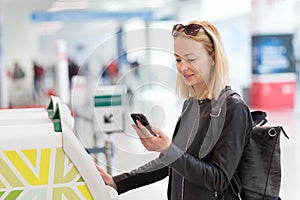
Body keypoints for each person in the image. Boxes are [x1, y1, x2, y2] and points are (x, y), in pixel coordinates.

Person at [96, 20, 253, 199]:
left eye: (191, 59)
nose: (182, 67)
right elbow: (170, 163)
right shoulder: (191, 105)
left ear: (213, 58)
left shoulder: (233, 108)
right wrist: (118, 182)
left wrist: (169, 149)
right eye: (178, 59)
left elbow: (219, 179)